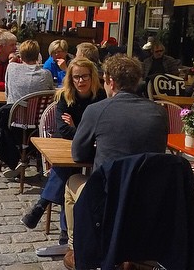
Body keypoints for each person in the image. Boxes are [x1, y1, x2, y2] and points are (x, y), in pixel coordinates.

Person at [62, 54, 168, 270]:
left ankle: (77, 248)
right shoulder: (159, 112)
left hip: (109, 197)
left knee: (72, 181)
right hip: (147, 197)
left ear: (109, 81)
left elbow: (78, 153)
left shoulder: (97, 110)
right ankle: (127, 252)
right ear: (138, 80)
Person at [21, 56, 106, 243]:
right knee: (68, 168)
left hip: (95, 148)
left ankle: (42, 205)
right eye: (76, 77)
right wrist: (82, 128)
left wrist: (78, 127)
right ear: (70, 78)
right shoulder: (64, 97)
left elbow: (99, 129)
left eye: (84, 76)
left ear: (92, 77)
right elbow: (64, 130)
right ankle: (64, 230)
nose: (80, 81)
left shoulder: (101, 97)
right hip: (69, 146)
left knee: (67, 169)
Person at [5, 39, 53, 104]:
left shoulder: (11, 67)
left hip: (14, 112)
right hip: (38, 113)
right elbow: (51, 96)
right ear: (38, 55)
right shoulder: (46, 74)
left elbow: (7, 93)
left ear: (21, 55)